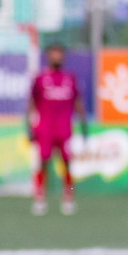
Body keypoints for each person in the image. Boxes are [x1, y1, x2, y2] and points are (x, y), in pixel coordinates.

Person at [27, 43, 85, 216]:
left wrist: (84, 125)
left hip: (64, 128)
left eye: (59, 53)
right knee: (43, 162)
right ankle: (39, 197)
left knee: (67, 163)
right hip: (45, 128)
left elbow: (78, 102)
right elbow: (31, 102)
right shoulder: (40, 79)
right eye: (53, 53)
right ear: (48, 56)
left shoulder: (70, 79)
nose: (56, 56)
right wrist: (29, 125)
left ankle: (69, 195)